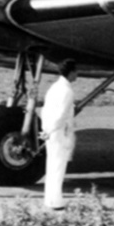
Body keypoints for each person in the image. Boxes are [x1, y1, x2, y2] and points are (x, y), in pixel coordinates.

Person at [41, 59, 79, 210]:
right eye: (76, 71)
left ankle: (50, 199)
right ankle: (56, 201)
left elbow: (45, 110)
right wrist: (52, 130)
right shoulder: (67, 91)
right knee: (58, 167)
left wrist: (46, 130)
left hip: (51, 131)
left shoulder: (54, 87)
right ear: (70, 73)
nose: (77, 74)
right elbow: (62, 115)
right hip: (59, 131)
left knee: (52, 166)